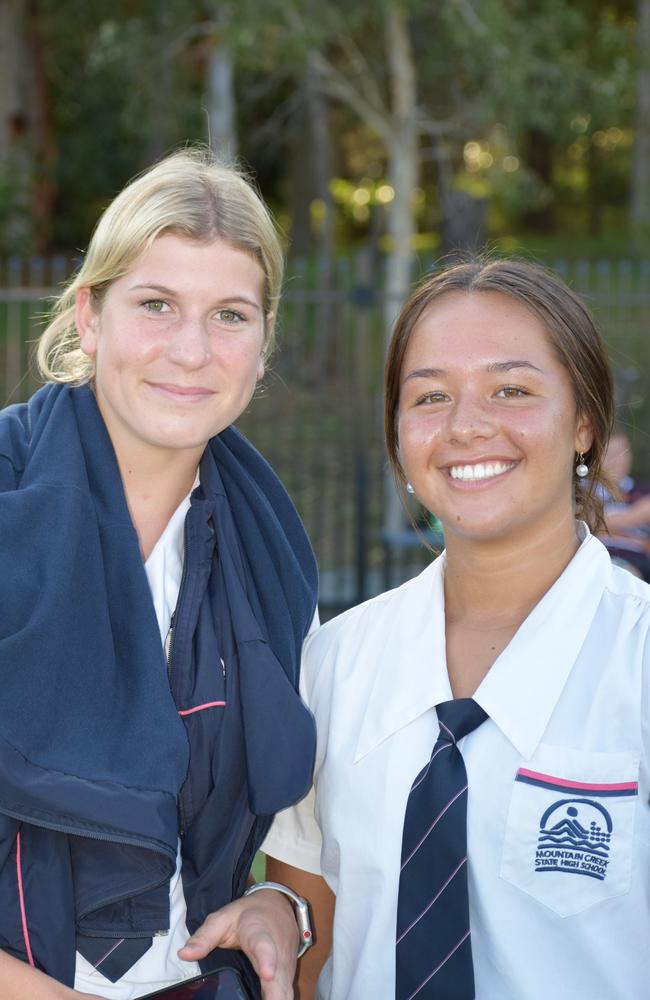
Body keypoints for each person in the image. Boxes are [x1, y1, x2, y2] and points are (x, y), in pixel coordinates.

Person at [264, 259, 650, 999]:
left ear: (584, 423)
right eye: (431, 396)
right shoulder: (330, 667)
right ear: (400, 439)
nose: (468, 426)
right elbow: (307, 940)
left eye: (512, 389)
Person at [0, 148, 319, 1000]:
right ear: (89, 315)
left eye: (229, 315)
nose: (191, 350)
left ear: (263, 343)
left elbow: (295, 816)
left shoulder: (272, 547)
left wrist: (276, 906)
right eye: (156, 305)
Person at [597, 426, 650, 579]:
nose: (619, 459)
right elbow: (581, 523)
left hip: (642, 561)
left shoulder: (644, 490)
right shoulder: (582, 491)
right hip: (601, 556)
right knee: (623, 575)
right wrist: (634, 517)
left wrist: (607, 524)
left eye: (624, 452)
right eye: (612, 453)